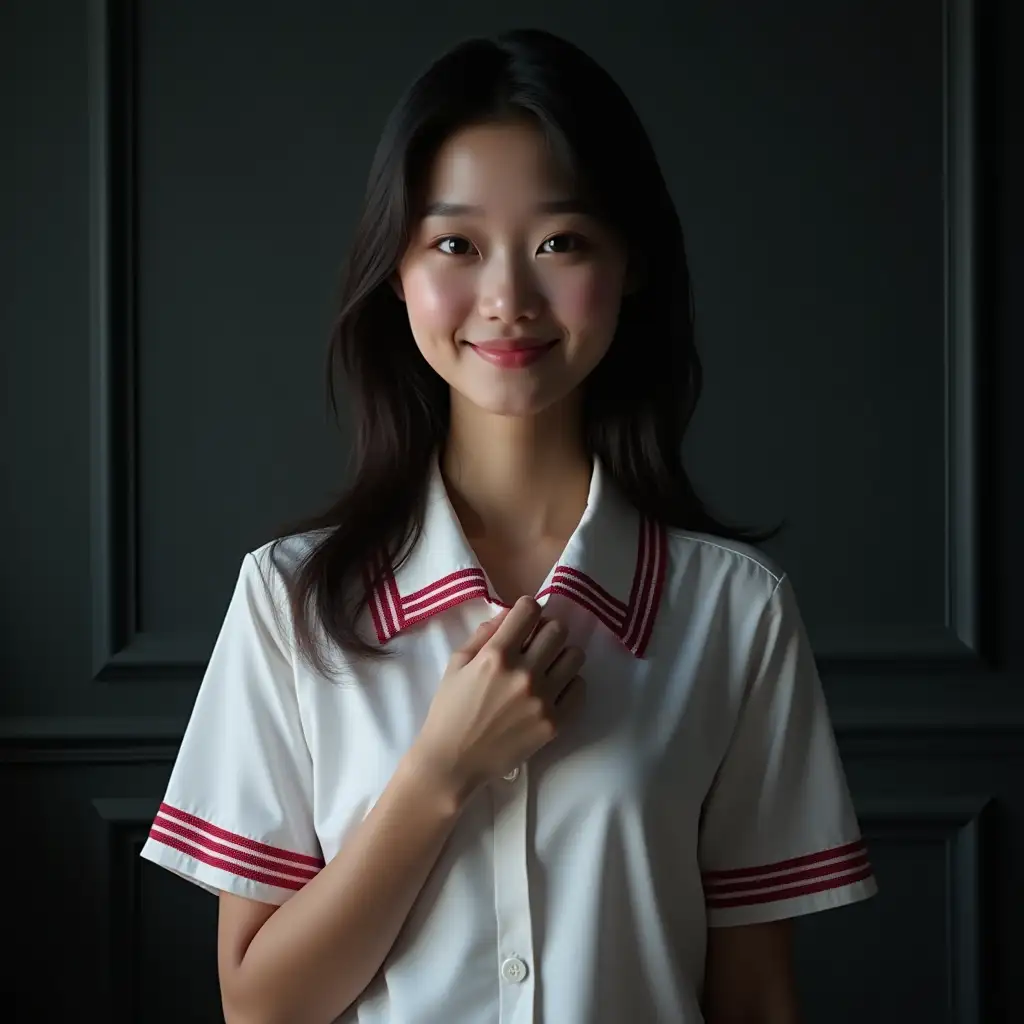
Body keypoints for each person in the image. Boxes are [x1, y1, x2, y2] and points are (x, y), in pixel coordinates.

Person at [141, 27, 877, 1024]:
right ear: (394, 271)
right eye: (455, 244)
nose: (507, 298)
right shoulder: (289, 600)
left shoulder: (733, 613)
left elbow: (753, 996)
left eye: (559, 243)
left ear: (630, 265)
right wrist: (443, 768)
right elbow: (260, 1006)